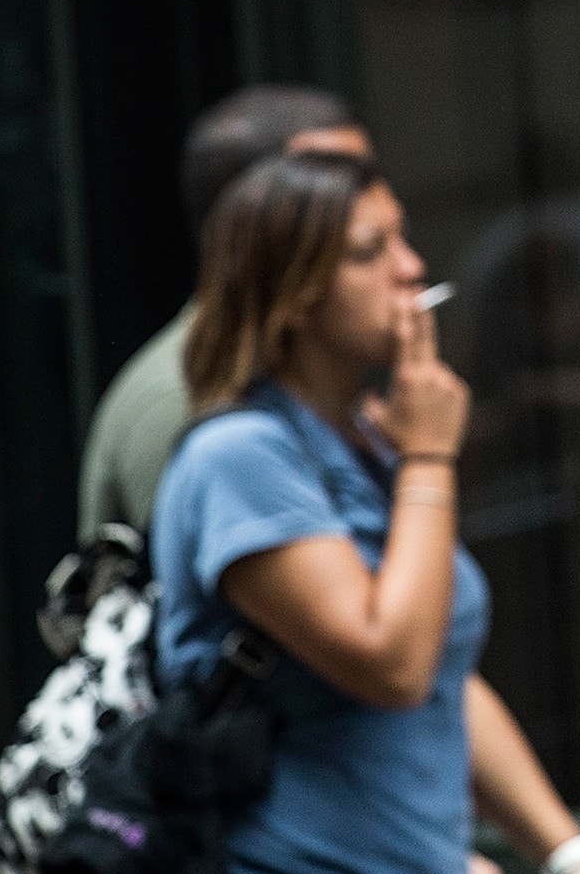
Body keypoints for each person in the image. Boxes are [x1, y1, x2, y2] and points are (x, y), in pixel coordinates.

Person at [149, 149, 580, 874]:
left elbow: (448, 682)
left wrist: (574, 865)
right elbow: (391, 661)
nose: (405, 267)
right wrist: (431, 457)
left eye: (401, 239)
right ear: (293, 292)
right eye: (367, 250)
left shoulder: (366, 447)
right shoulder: (240, 459)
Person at [78, 86, 370, 541]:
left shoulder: (312, 367)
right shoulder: (181, 396)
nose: (369, 205)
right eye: (335, 188)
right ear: (254, 219)